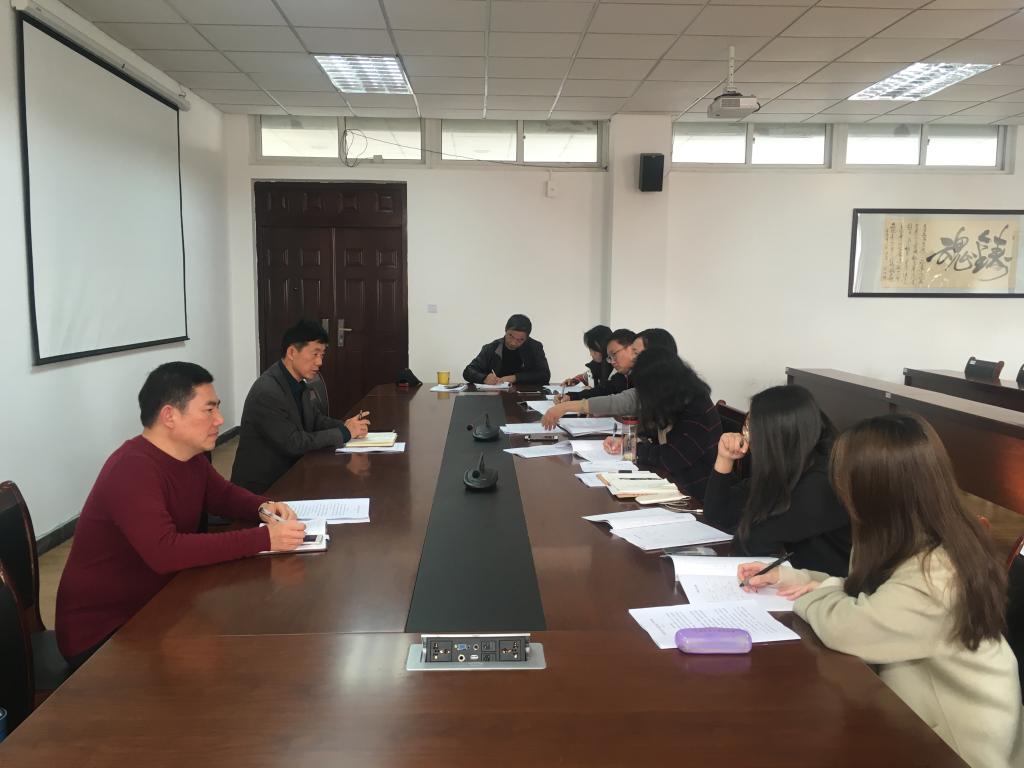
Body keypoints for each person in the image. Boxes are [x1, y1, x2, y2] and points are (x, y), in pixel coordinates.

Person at [739, 414, 1023, 768]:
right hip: (914, 716)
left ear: (877, 492)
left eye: (847, 483)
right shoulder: (903, 535)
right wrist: (791, 578)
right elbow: (868, 596)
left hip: (959, 746)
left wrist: (809, 596)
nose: (840, 492)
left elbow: (850, 628)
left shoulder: (937, 573)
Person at [55, 362, 307, 668]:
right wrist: (264, 538)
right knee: (232, 659)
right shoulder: (132, 469)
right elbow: (166, 551)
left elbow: (223, 496)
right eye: (209, 410)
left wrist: (263, 507)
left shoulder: (189, 457)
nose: (220, 419)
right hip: (106, 632)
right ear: (169, 416)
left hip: (159, 603)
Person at [703, 385, 851, 574]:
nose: (747, 437)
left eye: (751, 428)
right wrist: (725, 458)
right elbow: (717, 512)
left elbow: (750, 542)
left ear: (775, 437)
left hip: (830, 585)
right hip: (798, 578)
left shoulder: (821, 483)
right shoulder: (790, 465)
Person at [231, 319, 370, 494]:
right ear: (291, 352)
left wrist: (346, 426)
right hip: (264, 488)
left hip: (292, 473)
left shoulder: (297, 382)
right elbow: (294, 443)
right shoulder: (267, 392)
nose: (320, 362)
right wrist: (344, 432)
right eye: (315, 354)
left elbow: (315, 420)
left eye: (322, 355)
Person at [604, 348, 721, 498]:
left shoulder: (696, 407)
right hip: (674, 481)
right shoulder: (673, 401)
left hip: (696, 491)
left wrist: (632, 447)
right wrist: (625, 442)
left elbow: (672, 457)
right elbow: (652, 434)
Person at [541, 328, 676, 429]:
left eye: (636, 352)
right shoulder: (625, 376)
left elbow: (621, 402)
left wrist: (568, 406)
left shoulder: (669, 388)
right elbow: (608, 393)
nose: (634, 358)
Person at [463, 314, 550, 385]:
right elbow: (468, 371)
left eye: (520, 340)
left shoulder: (535, 347)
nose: (514, 343)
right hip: (496, 395)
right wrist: (484, 378)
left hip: (525, 395)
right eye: (511, 336)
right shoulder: (491, 348)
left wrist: (515, 378)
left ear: (527, 338)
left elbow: (545, 375)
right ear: (506, 330)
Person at [559, 328, 635, 402]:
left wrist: (584, 398)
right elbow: (600, 389)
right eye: (610, 357)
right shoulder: (598, 366)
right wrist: (574, 382)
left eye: (593, 350)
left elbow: (610, 396)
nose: (591, 354)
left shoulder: (620, 373)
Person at [560, 325, 613, 389]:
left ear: (603, 348)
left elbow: (609, 393)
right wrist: (573, 381)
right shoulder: (596, 366)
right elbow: (584, 377)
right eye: (590, 350)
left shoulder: (616, 369)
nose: (591, 354)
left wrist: (591, 391)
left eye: (593, 350)